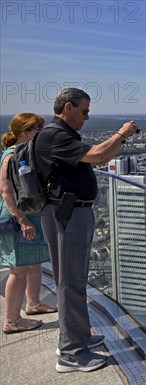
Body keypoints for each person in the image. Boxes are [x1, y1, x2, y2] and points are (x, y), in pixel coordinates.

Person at [35, 88, 137, 373]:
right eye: (84, 111)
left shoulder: (61, 135)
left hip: (70, 213)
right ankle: (70, 353)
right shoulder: (55, 135)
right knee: (70, 282)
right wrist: (122, 134)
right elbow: (97, 155)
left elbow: (99, 159)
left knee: (76, 280)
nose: (87, 117)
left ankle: (79, 337)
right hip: (66, 215)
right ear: (68, 107)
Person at [1, 113, 58, 334]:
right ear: (25, 132)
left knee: (33, 263)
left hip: (28, 215)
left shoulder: (22, 152)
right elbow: (5, 191)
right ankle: (12, 321)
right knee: (19, 269)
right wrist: (22, 219)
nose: (40, 132)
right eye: (37, 129)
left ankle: (33, 304)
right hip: (18, 219)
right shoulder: (11, 155)